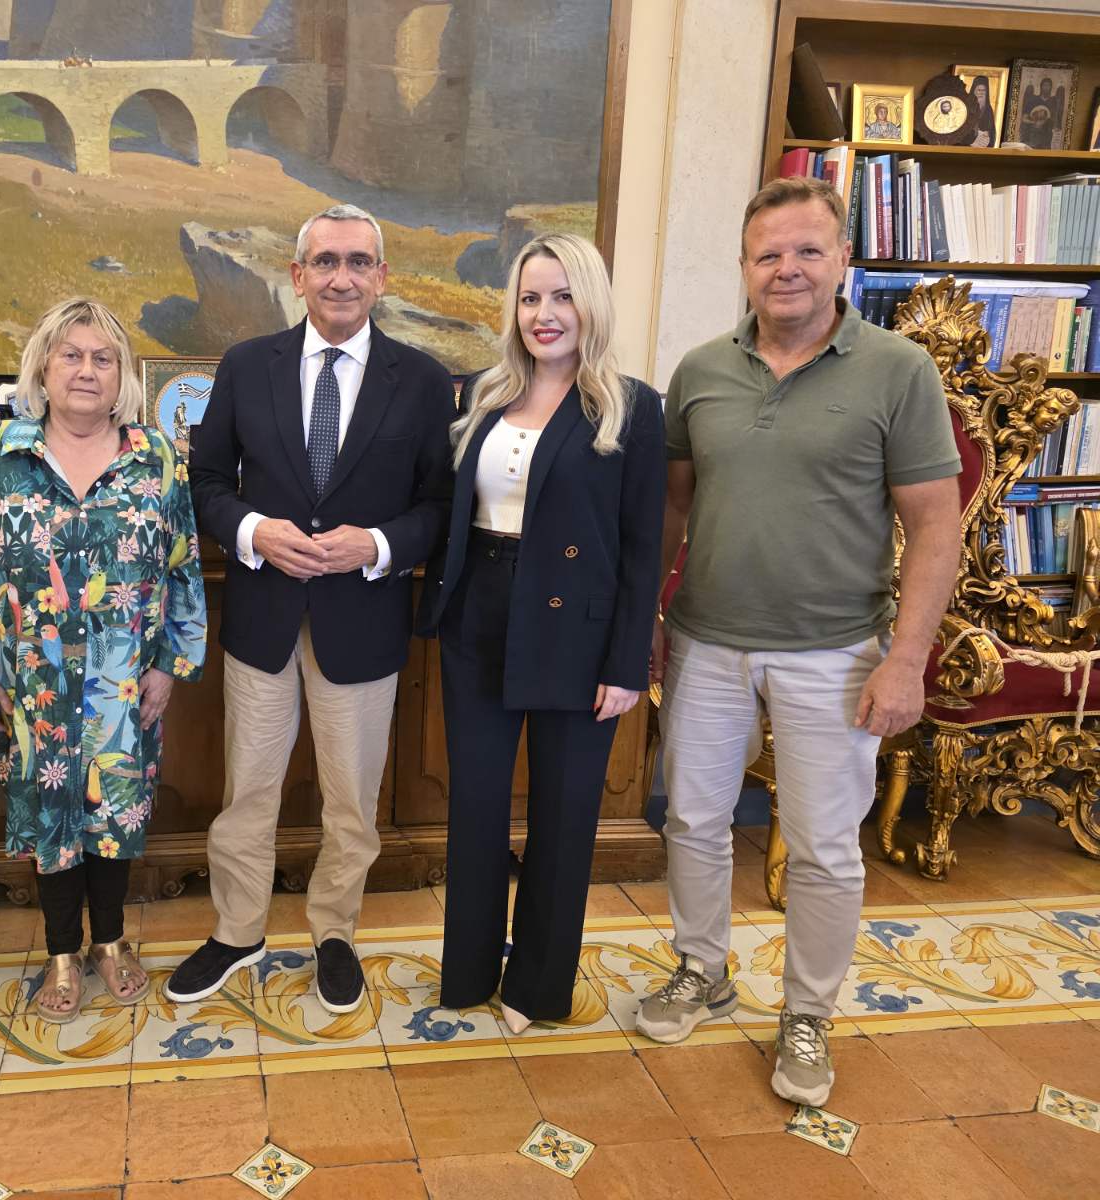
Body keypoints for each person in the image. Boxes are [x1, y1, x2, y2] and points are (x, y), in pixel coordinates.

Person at [636, 176, 962, 1107]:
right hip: (705, 642)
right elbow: (671, 510)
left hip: (836, 652)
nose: (787, 269)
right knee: (693, 821)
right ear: (744, 267)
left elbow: (935, 524)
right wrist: (646, 621)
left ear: (842, 260)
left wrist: (906, 660)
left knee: (823, 847)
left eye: (808, 250)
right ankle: (701, 968)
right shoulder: (701, 371)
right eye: (768, 253)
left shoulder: (899, 370)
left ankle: (808, 1012)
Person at [166, 204, 454, 1011]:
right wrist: (253, 531)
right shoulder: (245, 366)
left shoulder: (422, 381)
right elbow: (206, 483)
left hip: (362, 624)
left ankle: (335, 932)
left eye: (359, 262)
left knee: (351, 803)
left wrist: (380, 545)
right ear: (298, 276)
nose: (342, 277)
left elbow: (440, 504)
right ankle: (237, 930)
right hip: (262, 618)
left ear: (381, 278)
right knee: (247, 793)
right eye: (325, 261)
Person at [414, 235, 664, 1034]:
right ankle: (468, 973)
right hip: (479, 618)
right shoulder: (484, 395)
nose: (544, 314)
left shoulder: (630, 405)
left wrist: (627, 663)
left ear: (591, 303)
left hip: (577, 634)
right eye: (529, 298)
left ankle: (536, 986)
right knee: (476, 807)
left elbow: (643, 547)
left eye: (561, 296)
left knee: (564, 816)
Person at [0, 298, 207, 1022]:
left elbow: (182, 568)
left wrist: (169, 665)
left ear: (122, 375)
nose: (87, 370)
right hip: (31, 682)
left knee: (115, 810)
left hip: (124, 681)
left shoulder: (156, 457)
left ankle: (111, 941)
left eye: (103, 358)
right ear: (44, 368)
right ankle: (61, 951)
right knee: (47, 812)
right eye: (72, 355)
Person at [965, 75, 997, 147]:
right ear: (974, 91)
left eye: (984, 90)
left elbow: (992, 131)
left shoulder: (988, 109)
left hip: (983, 145)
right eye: (979, 90)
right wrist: (975, 133)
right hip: (967, 144)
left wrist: (987, 134)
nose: (981, 93)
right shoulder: (966, 107)